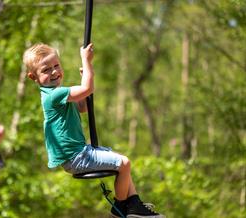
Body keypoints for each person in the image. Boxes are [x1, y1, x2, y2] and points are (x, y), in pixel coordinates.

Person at [23, 43, 165, 218]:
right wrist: (86, 61)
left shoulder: (58, 93)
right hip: (76, 157)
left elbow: (83, 106)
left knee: (120, 163)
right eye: (46, 70)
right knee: (124, 163)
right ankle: (121, 208)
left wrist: (87, 77)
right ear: (33, 77)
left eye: (56, 66)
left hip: (80, 153)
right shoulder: (53, 96)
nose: (54, 72)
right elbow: (86, 89)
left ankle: (134, 203)